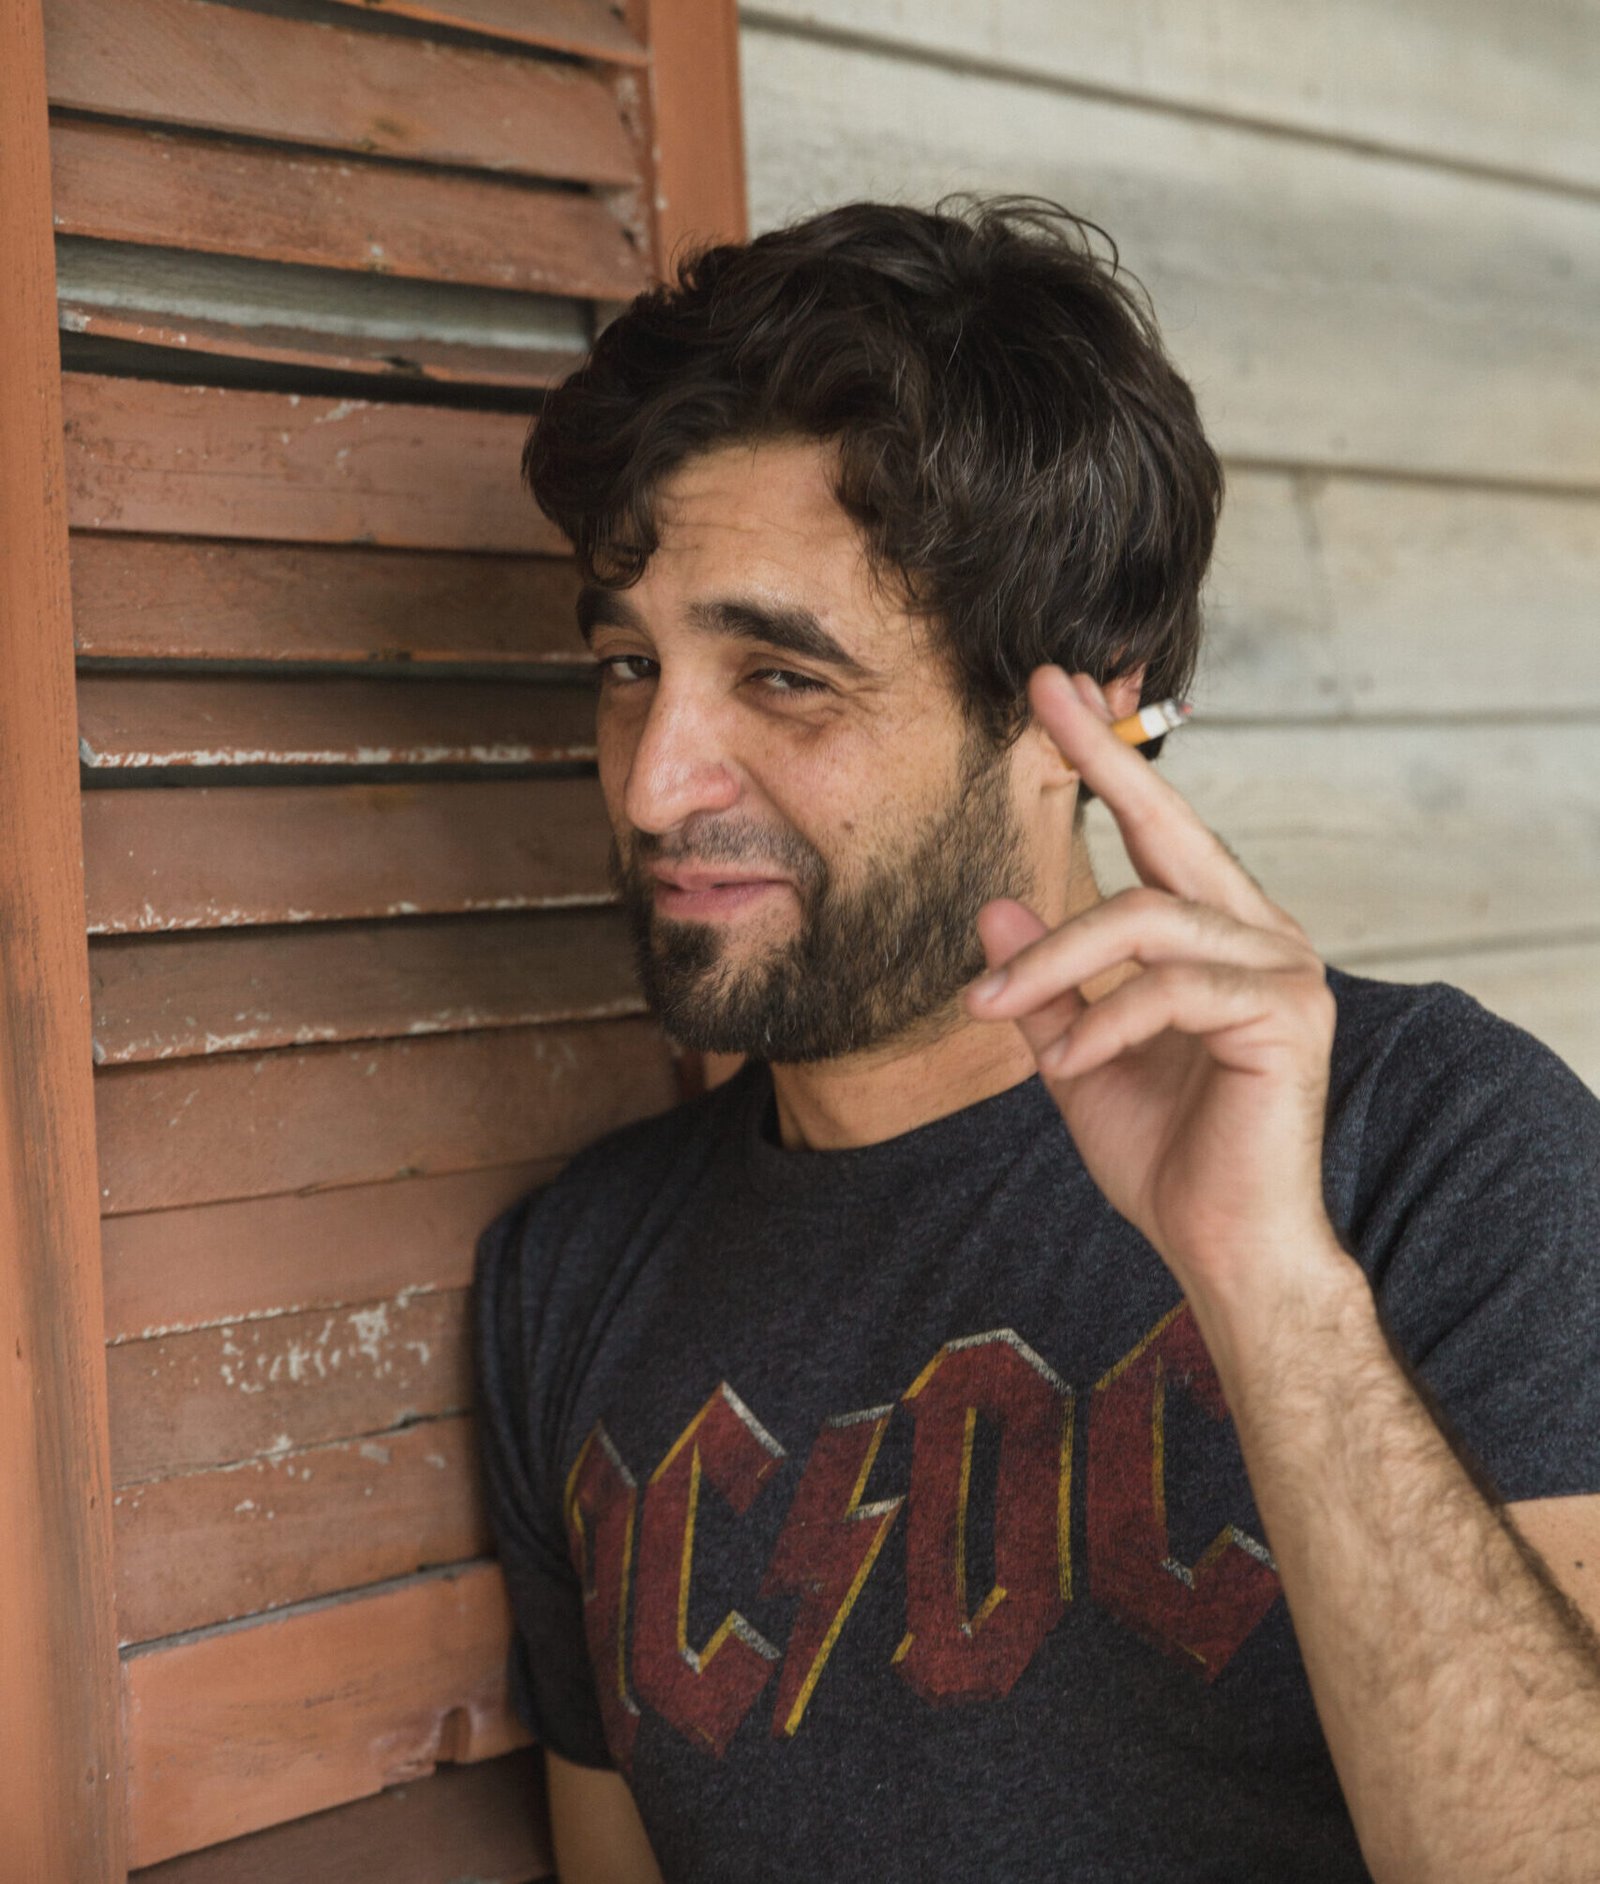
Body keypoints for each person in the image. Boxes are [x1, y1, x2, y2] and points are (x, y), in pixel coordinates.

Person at [473, 198, 1600, 1882]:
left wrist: (1270, 1284)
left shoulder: (1434, 1140)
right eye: (631, 666)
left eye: (783, 680)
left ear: (1083, 704)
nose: (653, 783)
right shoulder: (572, 1279)